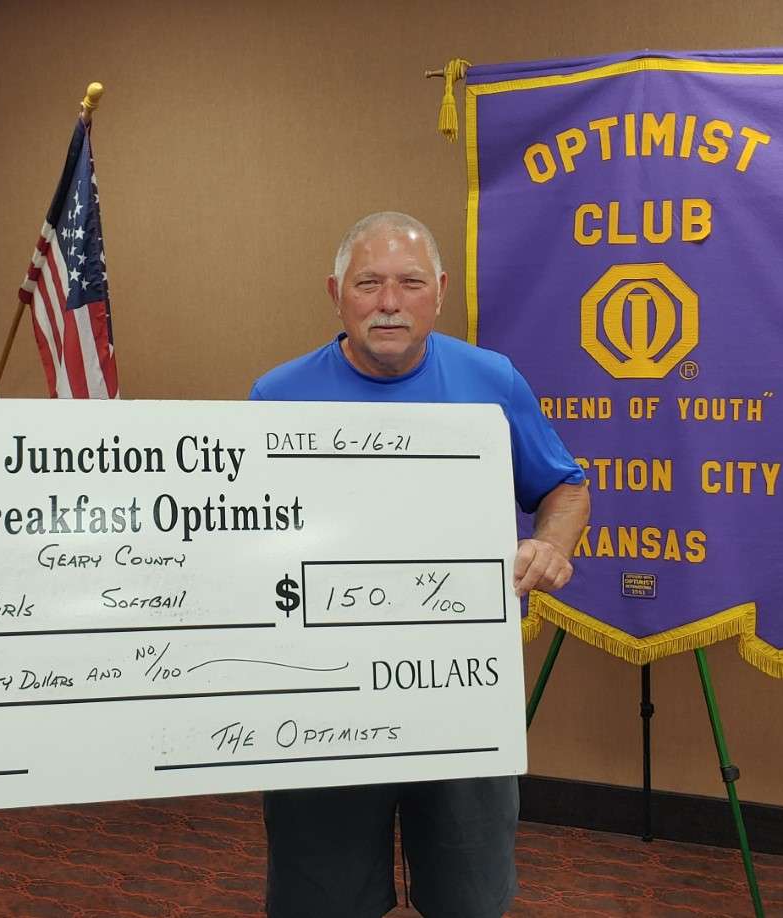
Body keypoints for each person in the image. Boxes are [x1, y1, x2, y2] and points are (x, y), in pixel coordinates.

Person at [249, 212, 589, 918]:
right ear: (336, 291)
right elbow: (244, 533)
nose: (389, 302)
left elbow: (565, 486)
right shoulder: (274, 396)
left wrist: (552, 544)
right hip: (322, 695)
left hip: (460, 688)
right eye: (368, 283)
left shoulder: (492, 380)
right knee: (322, 900)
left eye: (408, 283)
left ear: (438, 291)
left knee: (468, 897)